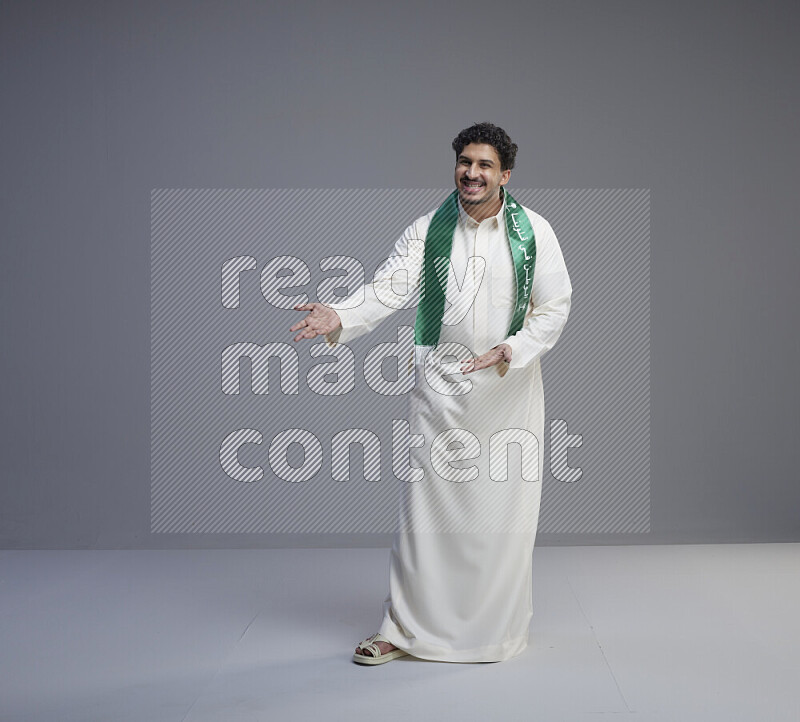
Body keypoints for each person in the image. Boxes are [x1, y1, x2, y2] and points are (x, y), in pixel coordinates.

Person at [290, 122, 572, 664]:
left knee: (500, 518)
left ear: (505, 175)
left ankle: (493, 632)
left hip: (507, 393)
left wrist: (512, 348)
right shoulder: (427, 230)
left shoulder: (534, 232)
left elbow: (555, 306)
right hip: (440, 394)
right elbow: (387, 288)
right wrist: (340, 315)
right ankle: (402, 629)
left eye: (485, 165)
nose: (472, 172)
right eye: (465, 162)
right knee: (425, 519)